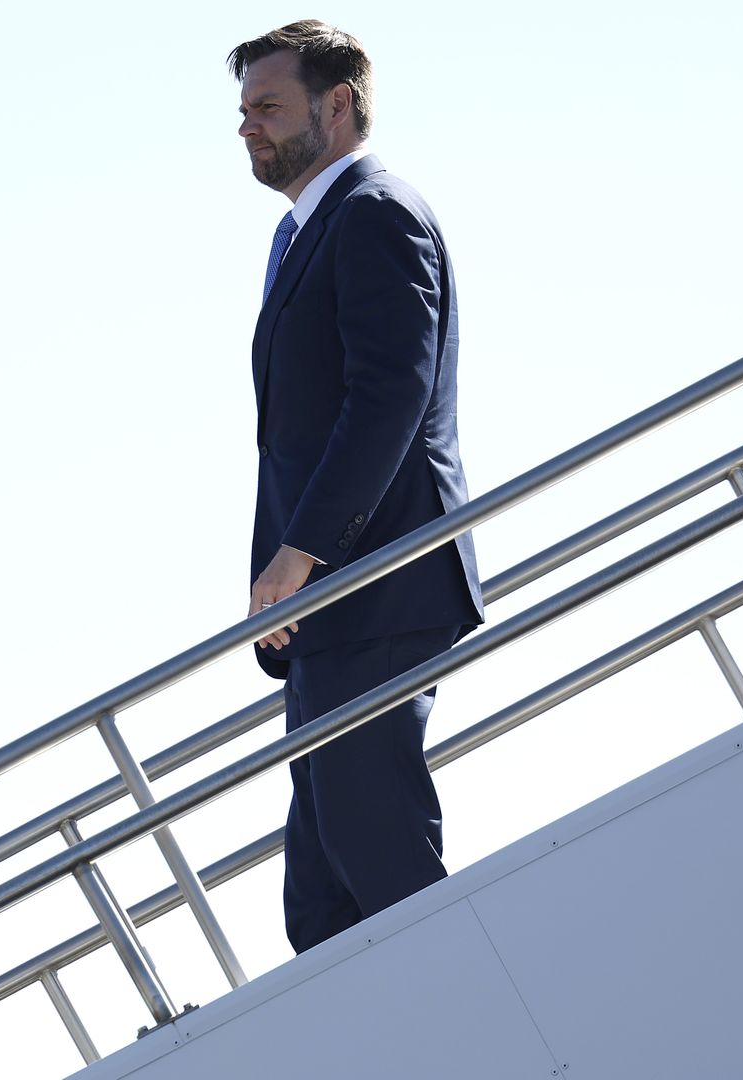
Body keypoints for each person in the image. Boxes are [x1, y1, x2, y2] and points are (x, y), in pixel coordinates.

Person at [229, 21, 484, 954]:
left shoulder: (376, 212)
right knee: (323, 891)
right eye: (244, 111)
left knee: (374, 844)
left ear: (337, 107)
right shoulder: (305, 232)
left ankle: (466, 1024)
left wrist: (304, 551)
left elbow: (391, 394)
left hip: (376, 578)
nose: (248, 128)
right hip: (331, 602)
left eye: (268, 107)